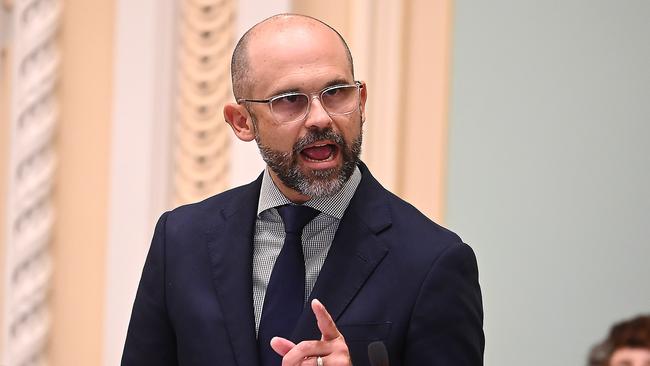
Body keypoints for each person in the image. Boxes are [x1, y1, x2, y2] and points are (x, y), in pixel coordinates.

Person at [122, 14, 484, 366]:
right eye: (290, 99)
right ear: (242, 122)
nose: (320, 118)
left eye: (336, 93)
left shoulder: (433, 261)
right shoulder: (182, 240)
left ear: (361, 102)